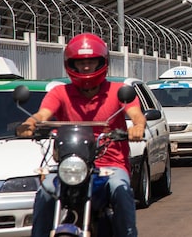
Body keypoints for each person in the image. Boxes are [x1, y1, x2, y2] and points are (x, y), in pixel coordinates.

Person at [17, 33, 146, 237]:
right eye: (80, 62)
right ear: (71, 65)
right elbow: (43, 114)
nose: (86, 67)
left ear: (101, 62)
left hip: (110, 166)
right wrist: (30, 123)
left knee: (120, 190)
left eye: (91, 61)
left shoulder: (119, 91)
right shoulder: (60, 93)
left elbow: (136, 114)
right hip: (71, 166)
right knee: (45, 192)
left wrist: (137, 127)